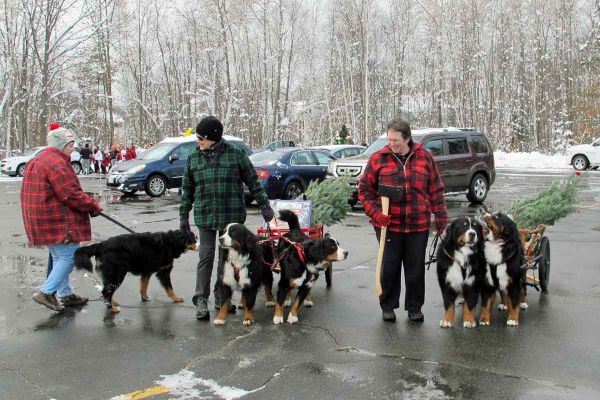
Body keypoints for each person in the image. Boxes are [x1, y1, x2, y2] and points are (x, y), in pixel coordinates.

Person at [179, 116, 274, 321]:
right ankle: (201, 299)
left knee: (226, 261)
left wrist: (264, 205)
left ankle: (221, 297)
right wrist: (183, 216)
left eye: (201, 138)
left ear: (213, 137)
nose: (198, 141)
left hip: (230, 218)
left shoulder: (235, 154)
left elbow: (253, 182)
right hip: (205, 214)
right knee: (205, 256)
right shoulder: (194, 158)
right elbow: (187, 190)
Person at [358, 118, 448, 323]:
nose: (391, 144)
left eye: (395, 140)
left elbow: (435, 190)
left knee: (415, 269)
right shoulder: (378, 159)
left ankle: (414, 307)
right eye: (389, 139)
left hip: (418, 224)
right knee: (389, 267)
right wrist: (376, 213)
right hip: (388, 225)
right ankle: (388, 306)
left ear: (407, 138)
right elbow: (364, 190)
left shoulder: (425, 158)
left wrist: (441, 217)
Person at [21, 123, 103, 311]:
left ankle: (65, 294)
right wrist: (92, 205)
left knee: (59, 257)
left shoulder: (41, 158)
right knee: (69, 256)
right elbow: (70, 194)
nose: (73, 148)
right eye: (70, 144)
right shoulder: (57, 163)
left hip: (40, 218)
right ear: (61, 145)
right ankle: (46, 292)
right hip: (56, 219)